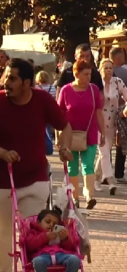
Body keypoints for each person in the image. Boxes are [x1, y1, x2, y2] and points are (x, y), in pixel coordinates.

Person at [0, 58, 73, 272]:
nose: (5, 82)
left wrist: (64, 147)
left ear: (27, 82)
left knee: (35, 233)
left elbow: (65, 126)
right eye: (5, 76)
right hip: (0, 178)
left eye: (12, 78)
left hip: (35, 177)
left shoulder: (42, 100)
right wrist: (1, 153)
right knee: (0, 232)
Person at [57, 60, 105, 210]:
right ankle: (75, 197)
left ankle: (90, 196)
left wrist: (102, 132)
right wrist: (59, 137)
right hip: (69, 134)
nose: (88, 77)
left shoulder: (94, 90)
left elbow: (98, 112)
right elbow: (59, 114)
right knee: (72, 168)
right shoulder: (66, 90)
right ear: (77, 74)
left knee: (88, 166)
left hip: (89, 133)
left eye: (90, 73)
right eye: (85, 74)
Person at [27, 207, 80, 272]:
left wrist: (65, 239)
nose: (51, 225)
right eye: (48, 222)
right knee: (37, 261)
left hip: (60, 254)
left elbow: (71, 248)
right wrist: (45, 237)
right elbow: (30, 245)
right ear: (39, 222)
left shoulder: (58, 234)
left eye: (55, 224)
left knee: (75, 259)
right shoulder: (34, 232)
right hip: (42, 255)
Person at [95, 59, 127, 194]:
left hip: (113, 122)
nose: (108, 70)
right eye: (106, 68)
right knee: (104, 152)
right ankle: (110, 180)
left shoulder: (117, 82)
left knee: (105, 151)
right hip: (98, 121)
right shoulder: (96, 84)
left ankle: (96, 180)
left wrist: (125, 110)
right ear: (101, 69)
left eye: (110, 68)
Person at [109, 48, 127, 184]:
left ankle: (107, 172)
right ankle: (119, 173)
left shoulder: (100, 73)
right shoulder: (124, 73)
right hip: (122, 112)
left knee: (107, 144)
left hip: (107, 112)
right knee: (121, 142)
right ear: (119, 58)